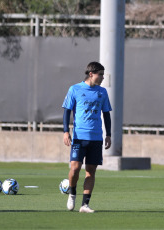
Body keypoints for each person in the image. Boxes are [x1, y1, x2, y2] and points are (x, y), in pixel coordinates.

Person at [62, 61, 112, 213]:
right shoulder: (75, 89)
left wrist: (108, 134)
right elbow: (66, 111)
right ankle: (71, 193)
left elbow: (106, 114)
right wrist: (65, 131)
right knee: (75, 168)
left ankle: (85, 205)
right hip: (79, 137)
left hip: (96, 138)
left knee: (91, 171)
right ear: (91, 74)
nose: (103, 77)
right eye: (100, 74)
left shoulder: (102, 92)